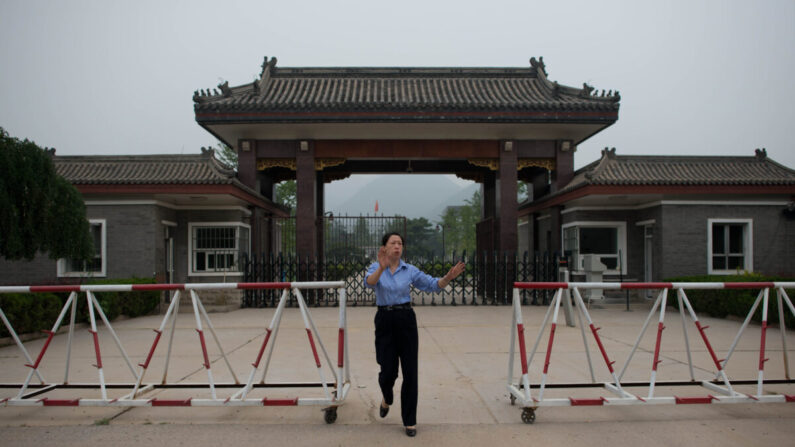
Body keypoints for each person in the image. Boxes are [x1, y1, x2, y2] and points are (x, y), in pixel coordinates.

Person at [365, 232, 466, 437]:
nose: (397, 246)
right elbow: (369, 283)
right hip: (385, 320)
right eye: (393, 243)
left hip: (406, 320)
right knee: (387, 371)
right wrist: (382, 266)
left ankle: (409, 421)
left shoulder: (409, 270)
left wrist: (448, 277)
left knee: (410, 372)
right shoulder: (376, 267)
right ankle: (387, 398)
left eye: (400, 243)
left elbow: (432, 285)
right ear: (384, 248)